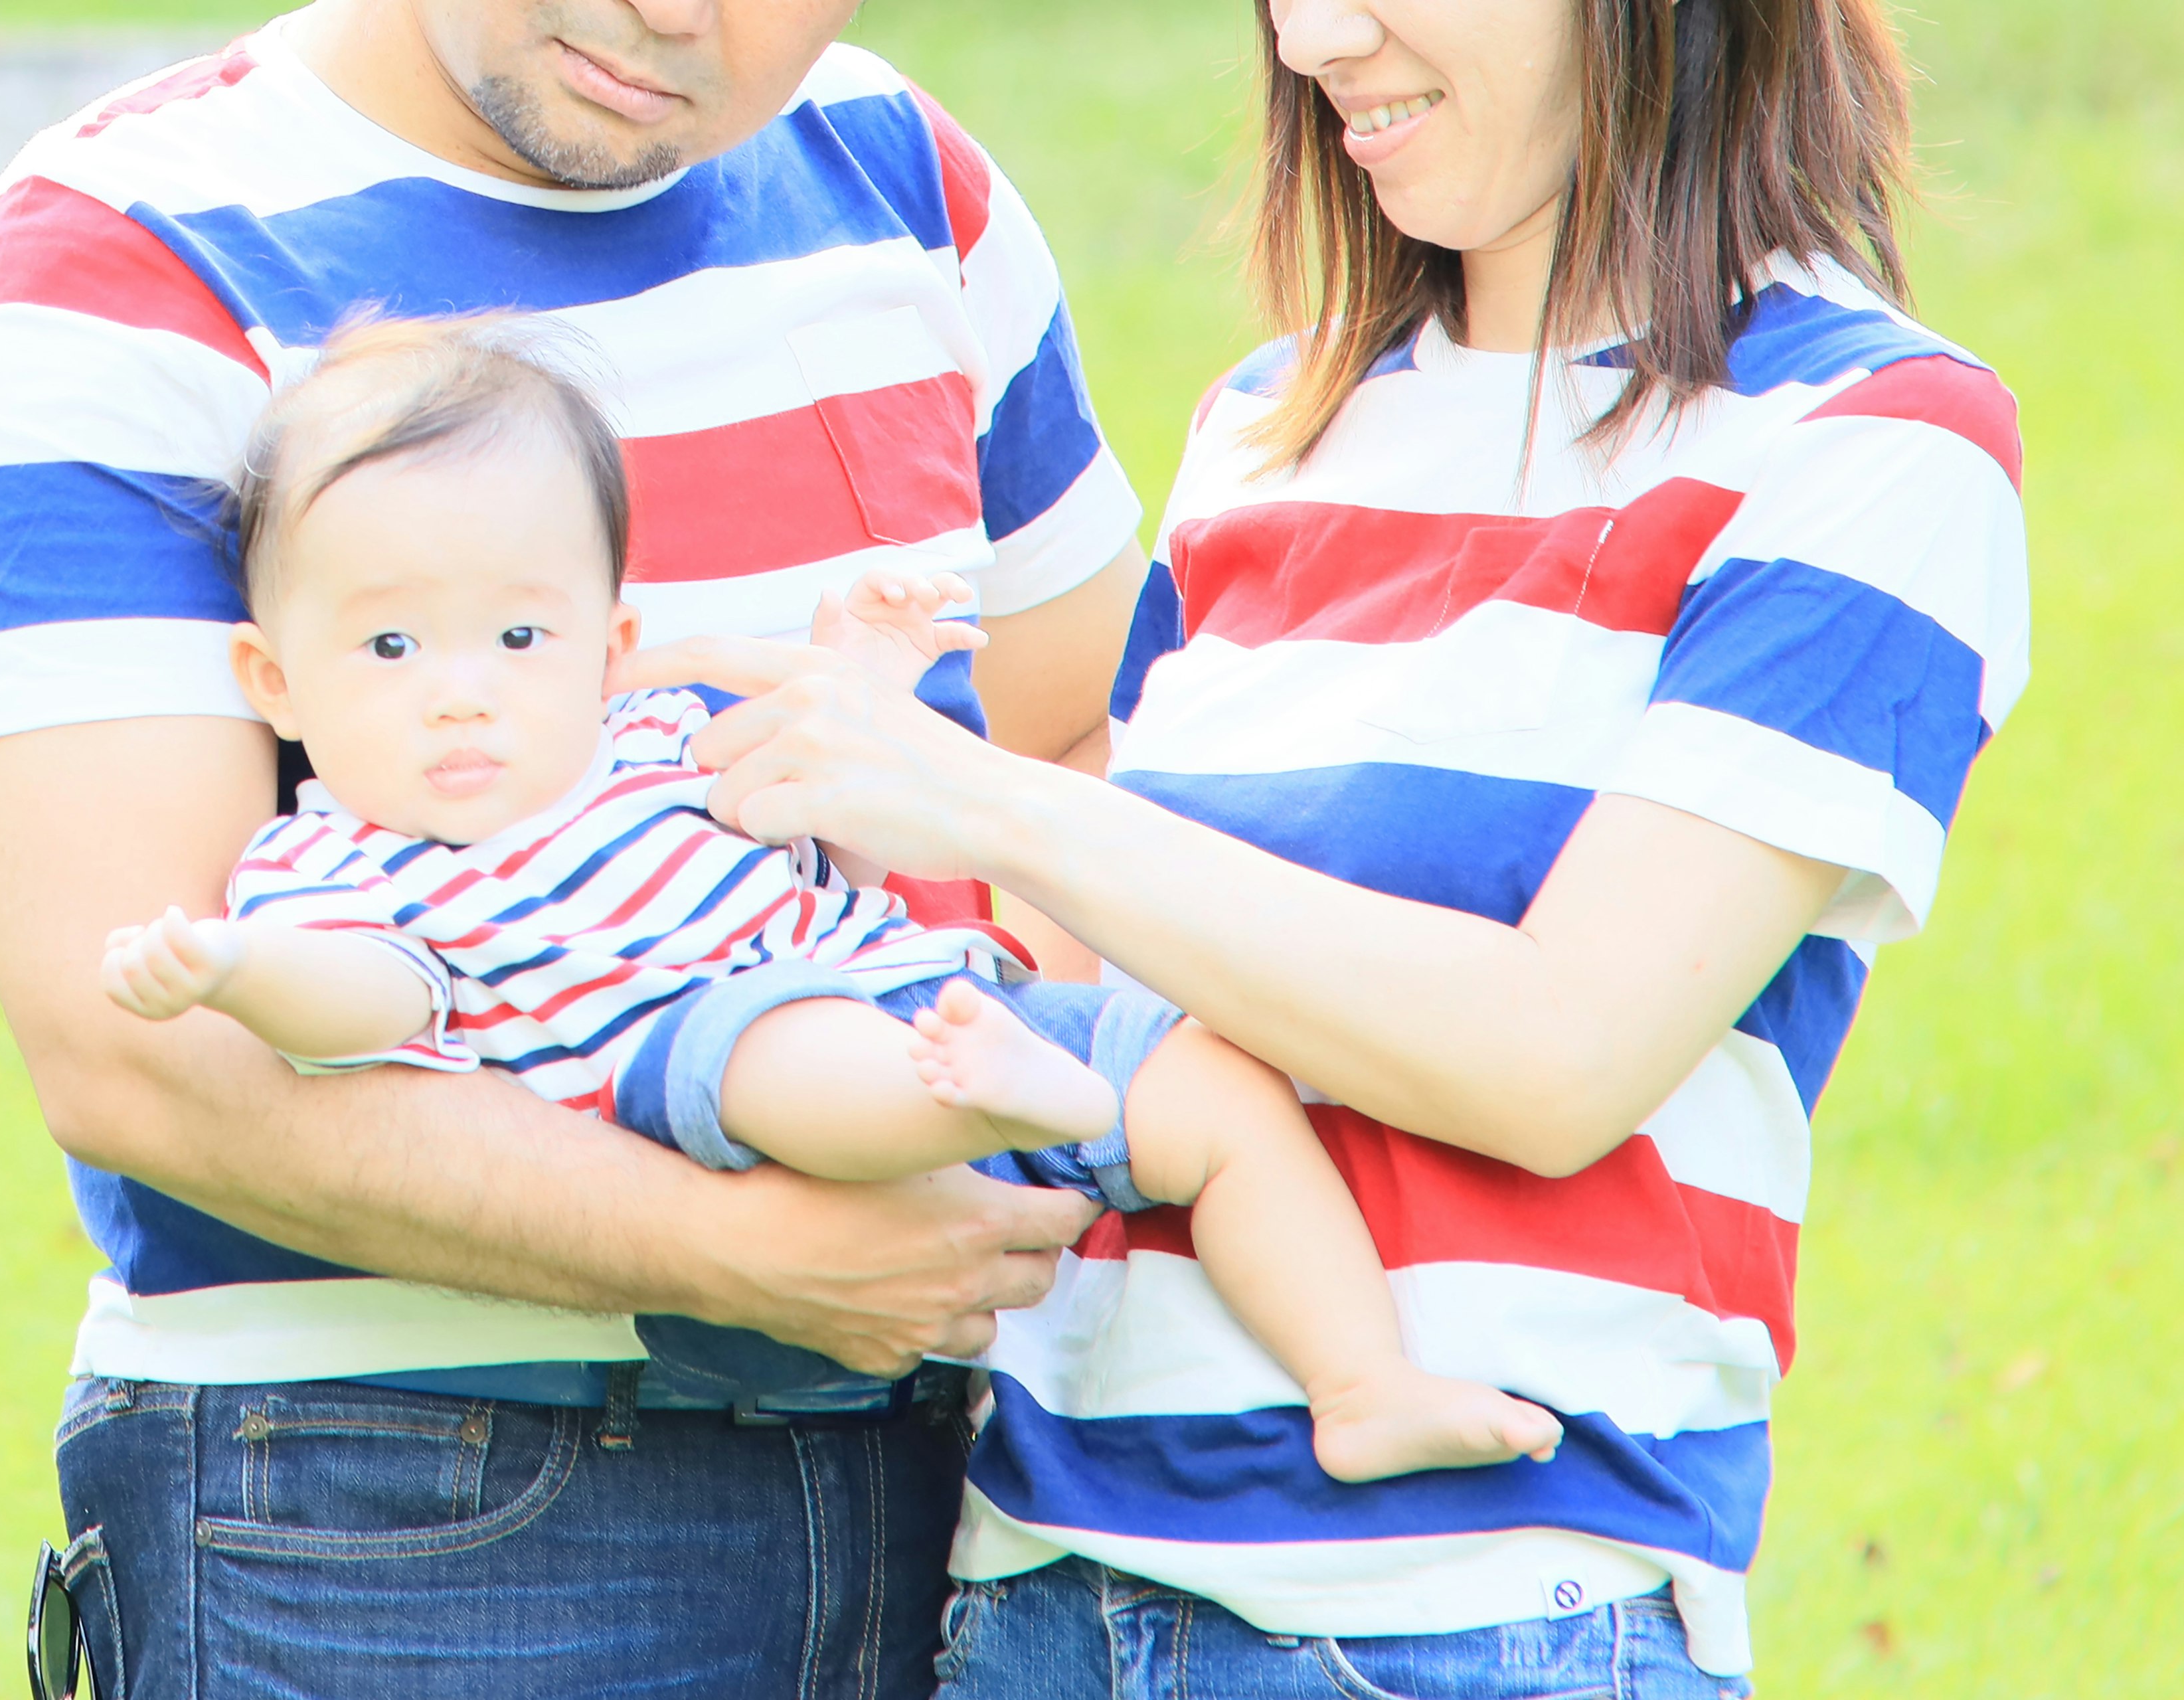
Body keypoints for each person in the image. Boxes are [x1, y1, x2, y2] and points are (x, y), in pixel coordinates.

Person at [615, 0, 2029, 1693]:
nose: (1312, 39)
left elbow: (1558, 1050)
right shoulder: (1274, 418)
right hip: (1037, 1591)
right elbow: (1099, 996)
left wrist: (985, 797)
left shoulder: (1871, 439)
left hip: (1468, 1620)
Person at [0, 1, 1149, 1693]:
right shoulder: (114, 256)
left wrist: (977, 1144)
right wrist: (748, 1249)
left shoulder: (902, 181)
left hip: (984, 1473)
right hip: (406, 1504)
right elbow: (137, 1048)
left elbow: (1075, 728)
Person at [99, 311, 1566, 1478]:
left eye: (518, 633)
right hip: (703, 1080)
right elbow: (366, 1006)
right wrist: (232, 971)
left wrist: (861, 671)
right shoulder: (333, 861)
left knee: (1218, 1092)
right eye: (393, 650)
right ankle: (983, 1099)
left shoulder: (662, 738)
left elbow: (834, 829)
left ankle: (1362, 1379)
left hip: (941, 993)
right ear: (272, 681)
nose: (463, 695)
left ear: (613, 641)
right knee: (777, 1049)